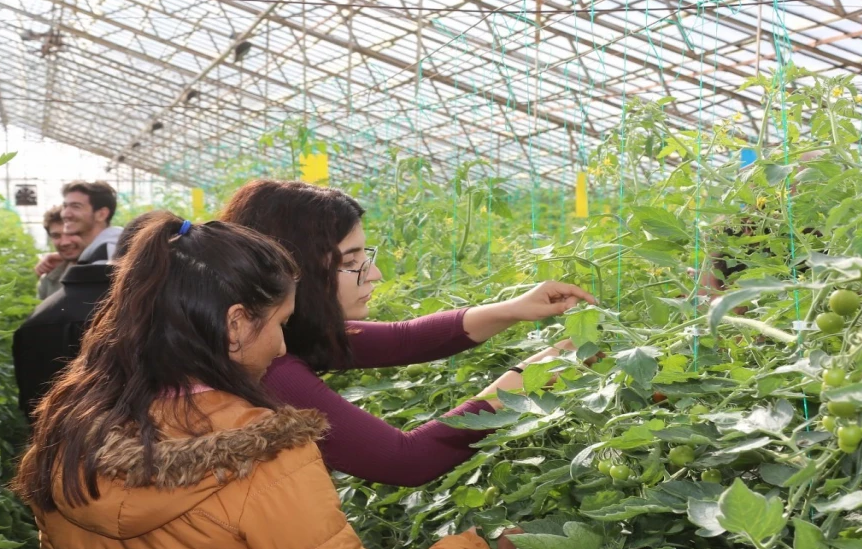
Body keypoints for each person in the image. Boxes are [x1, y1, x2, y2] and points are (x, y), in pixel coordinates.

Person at [11, 212, 503, 549]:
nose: (284, 346)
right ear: (236, 323)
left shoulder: (71, 433)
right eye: (281, 323)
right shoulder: (264, 450)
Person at [219, 179, 597, 487]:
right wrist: (521, 385)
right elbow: (406, 460)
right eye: (351, 262)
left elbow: (402, 338)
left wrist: (513, 309)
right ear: (294, 271)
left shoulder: (263, 330)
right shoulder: (265, 367)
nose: (375, 274)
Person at [13, 213, 155, 424]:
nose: (65, 241)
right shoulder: (145, 313)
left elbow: (33, 409)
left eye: (74, 233)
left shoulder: (37, 321)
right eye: (57, 236)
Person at [34, 181, 123, 280]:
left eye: (76, 206)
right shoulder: (100, 250)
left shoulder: (106, 254)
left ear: (101, 214)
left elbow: (94, 293)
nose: (65, 214)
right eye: (65, 206)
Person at [36, 206, 82, 300]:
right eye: (56, 236)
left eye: (71, 233)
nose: (64, 242)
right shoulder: (49, 278)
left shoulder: (106, 265)